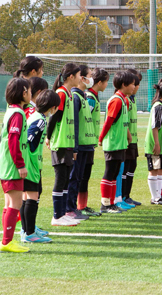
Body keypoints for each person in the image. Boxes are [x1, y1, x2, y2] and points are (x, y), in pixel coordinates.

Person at [0, 77, 31, 253]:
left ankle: (6, 240)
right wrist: (20, 164)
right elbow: (13, 139)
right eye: (29, 91)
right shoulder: (17, 114)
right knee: (15, 205)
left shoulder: (11, 110)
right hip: (12, 167)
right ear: (23, 92)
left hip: (4, 165)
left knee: (9, 204)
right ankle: (6, 242)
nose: (31, 94)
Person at [21, 90, 60, 244]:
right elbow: (28, 140)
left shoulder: (38, 117)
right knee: (32, 196)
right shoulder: (40, 120)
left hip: (32, 163)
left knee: (30, 195)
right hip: (30, 164)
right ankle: (29, 233)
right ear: (51, 107)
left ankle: (27, 229)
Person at [46, 63, 82, 226]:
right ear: (70, 77)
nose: (81, 78)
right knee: (61, 179)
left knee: (66, 179)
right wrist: (48, 136)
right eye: (79, 75)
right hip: (60, 143)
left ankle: (62, 213)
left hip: (67, 142)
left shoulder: (68, 94)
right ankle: (57, 215)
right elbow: (53, 117)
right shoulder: (60, 94)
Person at [98, 71, 135, 213]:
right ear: (124, 85)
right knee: (109, 173)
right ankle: (105, 204)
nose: (133, 87)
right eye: (132, 84)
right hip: (113, 143)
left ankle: (111, 203)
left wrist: (128, 136)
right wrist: (101, 138)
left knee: (114, 174)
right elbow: (109, 121)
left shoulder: (123, 100)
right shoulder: (117, 100)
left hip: (119, 143)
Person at [66, 65, 97, 222]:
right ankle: (69, 209)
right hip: (79, 146)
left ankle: (75, 208)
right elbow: (75, 125)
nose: (92, 78)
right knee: (73, 178)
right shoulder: (76, 97)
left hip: (86, 145)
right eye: (89, 75)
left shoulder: (83, 96)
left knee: (79, 178)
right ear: (82, 78)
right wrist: (75, 147)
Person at [79, 68, 109, 216]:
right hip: (84, 142)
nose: (107, 85)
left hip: (89, 142)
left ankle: (83, 206)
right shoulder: (90, 97)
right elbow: (83, 118)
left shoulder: (93, 96)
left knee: (85, 176)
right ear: (99, 82)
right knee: (81, 177)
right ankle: (79, 207)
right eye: (106, 82)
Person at [121, 69, 143, 207]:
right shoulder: (124, 100)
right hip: (126, 140)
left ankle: (127, 196)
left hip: (133, 140)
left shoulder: (132, 99)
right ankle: (122, 196)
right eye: (135, 83)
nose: (136, 87)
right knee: (125, 169)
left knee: (131, 167)